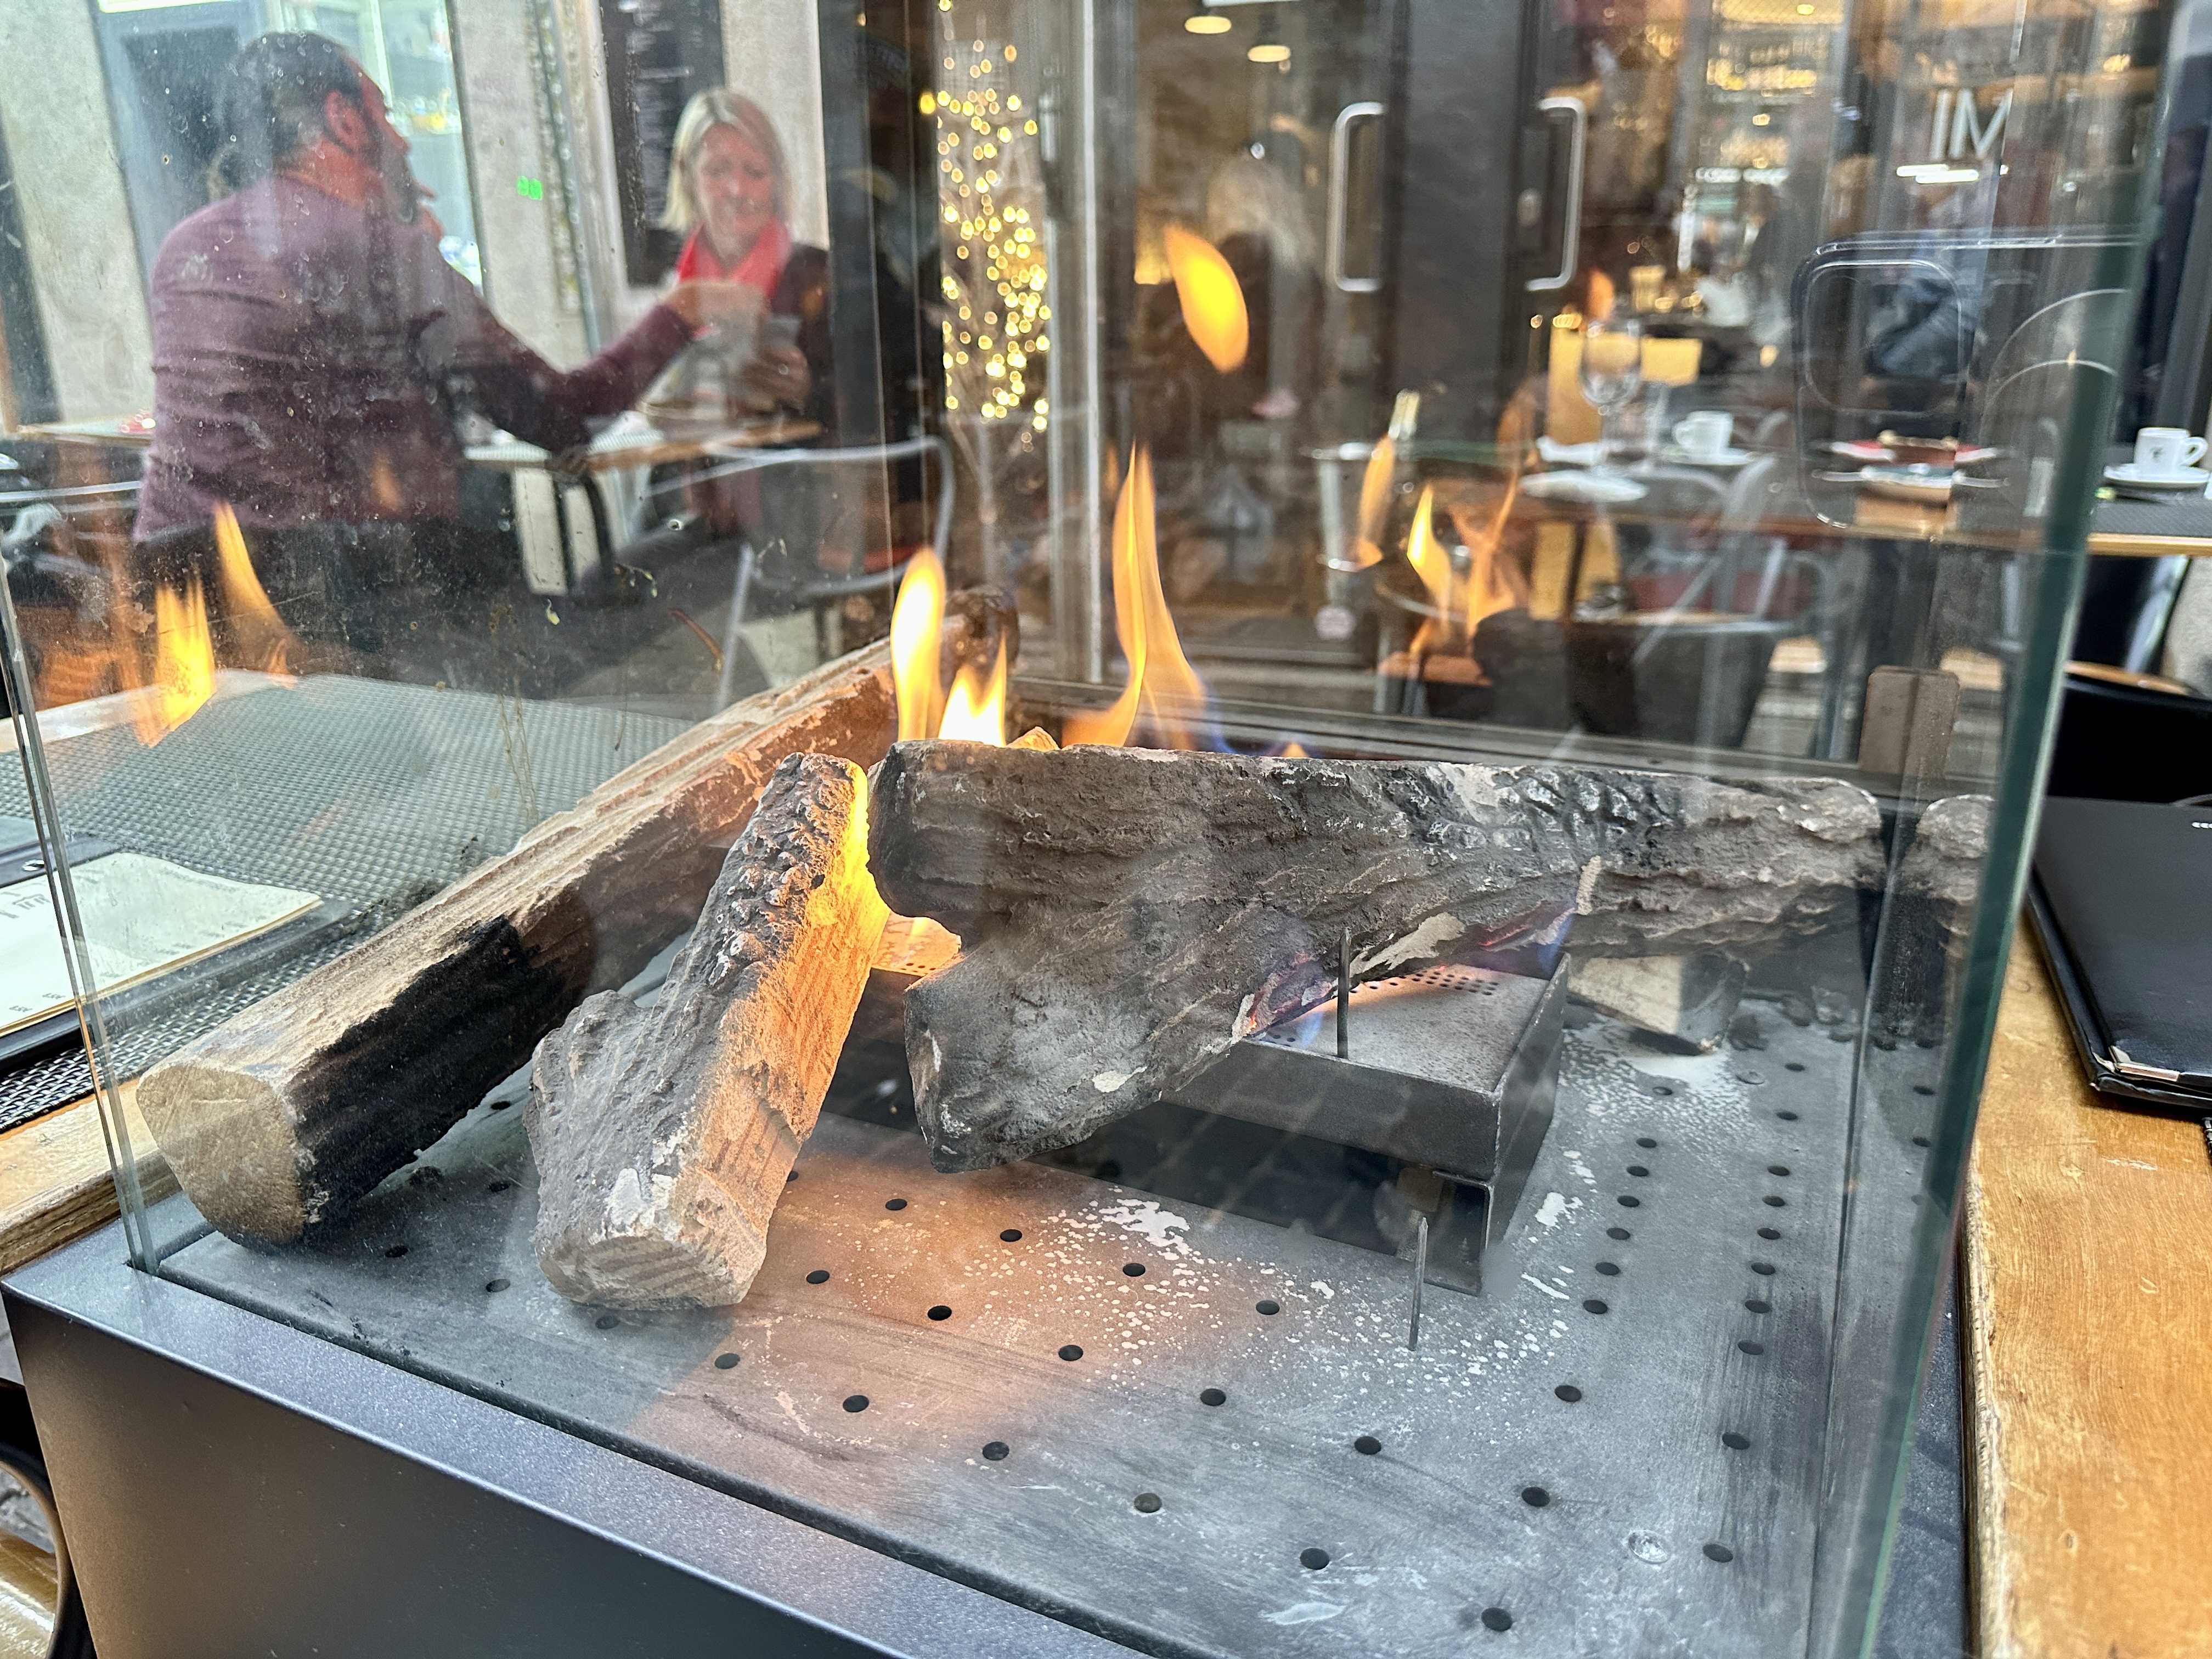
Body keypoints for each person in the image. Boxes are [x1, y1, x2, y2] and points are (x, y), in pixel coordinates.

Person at [133, 32, 754, 667]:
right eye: (386, 115)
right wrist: (684, 310)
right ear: (344, 120)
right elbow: (563, 416)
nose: (402, 143)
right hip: (347, 622)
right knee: (687, 610)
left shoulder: (184, 247)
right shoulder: (384, 251)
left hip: (186, 616)